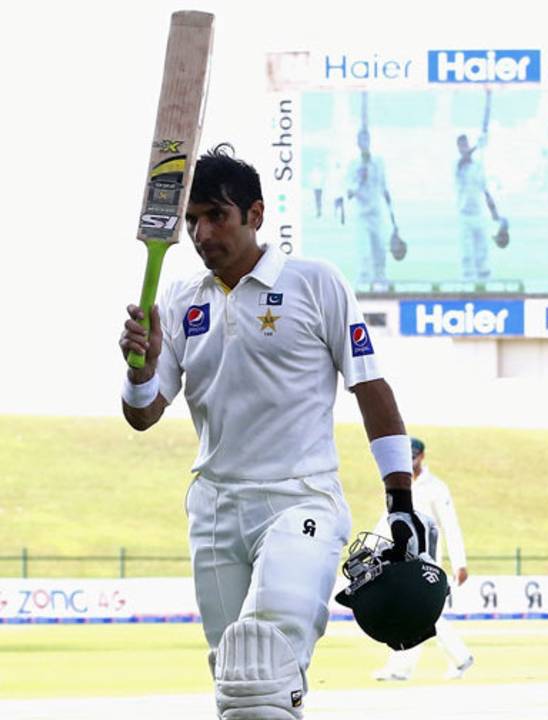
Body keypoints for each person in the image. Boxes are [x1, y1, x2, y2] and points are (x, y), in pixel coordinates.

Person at [118, 144, 429, 720]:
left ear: (255, 215)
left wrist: (399, 498)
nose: (202, 232)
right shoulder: (182, 297)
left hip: (299, 498)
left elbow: (371, 389)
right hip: (213, 509)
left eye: (217, 215)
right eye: (191, 220)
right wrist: (140, 366)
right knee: (239, 690)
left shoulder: (316, 282)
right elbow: (144, 412)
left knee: (261, 670)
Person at [371, 436, 475, 681]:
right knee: (422, 613)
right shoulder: (399, 485)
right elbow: (389, 519)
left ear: (422, 457)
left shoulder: (436, 488)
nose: (409, 460)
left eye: (413, 456)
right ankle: (460, 658)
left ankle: (402, 669)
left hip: (426, 559)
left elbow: (450, 526)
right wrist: (371, 546)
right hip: (402, 558)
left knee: (417, 612)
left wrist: (459, 563)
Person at [455, 88, 504, 283]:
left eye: (466, 144)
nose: (465, 148)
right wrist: (479, 143)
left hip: (478, 214)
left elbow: (485, 192)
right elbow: (465, 159)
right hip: (464, 216)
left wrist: (495, 214)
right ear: (459, 147)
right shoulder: (457, 165)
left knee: (482, 250)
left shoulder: (478, 166)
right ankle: (467, 282)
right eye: (462, 145)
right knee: (467, 253)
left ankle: (484, 282)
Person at [346, 128, 400, 292]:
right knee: (364, 252)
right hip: (362, 215)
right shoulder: (354, 165)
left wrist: (393, 217)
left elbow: (384, 188)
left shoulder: (378, 162)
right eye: (361, 140)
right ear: (357, 143)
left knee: (380, 250)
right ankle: (362, 285)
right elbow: (348, 192)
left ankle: (381, 283)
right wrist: (359, 180)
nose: (364, 143)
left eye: (366, 140)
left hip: (377, 213)